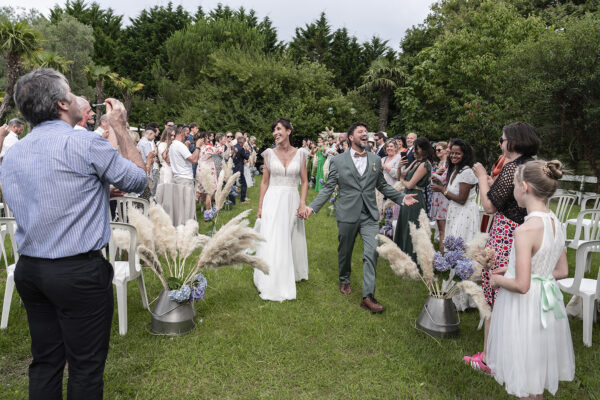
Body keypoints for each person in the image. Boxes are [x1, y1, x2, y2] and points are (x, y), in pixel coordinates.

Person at [1, 68, 147, 399]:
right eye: (71, 91)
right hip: (78, 272)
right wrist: (121, 127)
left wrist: (93, 191)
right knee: (84, 367)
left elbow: (41, 195)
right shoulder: (85, 142)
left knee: (46, 362)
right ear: (62, 104)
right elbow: (139, 180)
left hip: (31, 270)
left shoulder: (14, 154)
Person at [304, 122, 418, 313]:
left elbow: (382, 185)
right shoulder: (338, 161)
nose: (365, 134)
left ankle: (368, 297)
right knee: (345, 251)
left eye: (366, 132)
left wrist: (401, 197)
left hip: (369, 215)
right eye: (360, 132)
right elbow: (328, 187)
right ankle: (344, 279)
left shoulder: (375, 159)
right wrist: (312, 207)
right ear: (351, 137)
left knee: (371, 252)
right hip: (347, 214)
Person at [486, 160, 574, 398]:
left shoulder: (524, 230)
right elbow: (561, 270)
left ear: (524, 187)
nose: (513, 190)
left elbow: (522, 285)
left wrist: (497, 280)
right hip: (547, 303)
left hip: (524, 308)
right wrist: (510, 269)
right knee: (535, 370)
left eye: (514, 184)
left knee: (523, 369)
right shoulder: (556, 222)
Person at [463, 121, 540, 373]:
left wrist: (482, 177)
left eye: (502, 138)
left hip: (506, 233)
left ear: (513, 142)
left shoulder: (514, 167)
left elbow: (490, 206)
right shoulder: (534, 164)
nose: (500, 143)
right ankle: (504, 352)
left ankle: (488, 357)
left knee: (493, 292)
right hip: (525, 231)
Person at [254, 118, 309, 301]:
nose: (275, 133)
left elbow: (305, 181)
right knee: (274, 237)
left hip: (292, 199)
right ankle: (271, 276)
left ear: (288, 131)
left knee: (289, 236)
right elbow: (264, 182)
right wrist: (260, 206)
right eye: (274, 130)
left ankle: (289, 270)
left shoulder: (301, 153)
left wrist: (302, 203)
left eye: (279, 129)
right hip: (273, 199)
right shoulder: (269, 154)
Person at [431, 139, 479, 244]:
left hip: (465, 214)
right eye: (452, 153)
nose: (453, 156)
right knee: (452, 245)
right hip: (454, 212)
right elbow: (450, 195)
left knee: (461, 246)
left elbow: (462, 199)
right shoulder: (455, 171)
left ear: (465, 155)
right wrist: (440, 184)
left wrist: (442, 190)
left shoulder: (467, 172)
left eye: (458, 153)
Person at [393, 137, 432, 262]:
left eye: (416, 148)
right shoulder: (415, 162)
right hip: (407, 196)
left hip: (415, 197)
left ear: (423, 150)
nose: (414, 151)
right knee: (404, 225)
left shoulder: (425, 164)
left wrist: (403, 180)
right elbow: (401, 177)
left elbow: (410, 184)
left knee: (413, 228)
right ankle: (402, 255)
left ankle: (413, 258)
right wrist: (399, 168)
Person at [429, 141, 450, 245]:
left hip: (443, 195)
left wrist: (433, 175)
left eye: (439, 150)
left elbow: (442, 179)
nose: (437, 152)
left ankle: (444, 250)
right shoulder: (439, 163)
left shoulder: (447, 164)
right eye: (436, 150)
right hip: (436, 195)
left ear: (446, 150)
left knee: (444, 227)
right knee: (439, 225)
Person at [196, 131, 217, 213]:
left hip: (200, 170)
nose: (208, 139)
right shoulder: (208, 148)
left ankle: (190, 209)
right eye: (207, 137)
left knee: (199, 191)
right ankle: (208, 212)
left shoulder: (198, 148)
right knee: (209, 191)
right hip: (208, 171)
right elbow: (218, 151)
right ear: (204, 138)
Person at [228, 135, 249, 204]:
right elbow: (246, 157)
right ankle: (242, 199)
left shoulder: (234, 147)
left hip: (234, 167)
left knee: (233, 183)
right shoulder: (241, 148)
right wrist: (248, 151)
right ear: (242, 142)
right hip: (239, 167)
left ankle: (231, 199)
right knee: (244, 184)